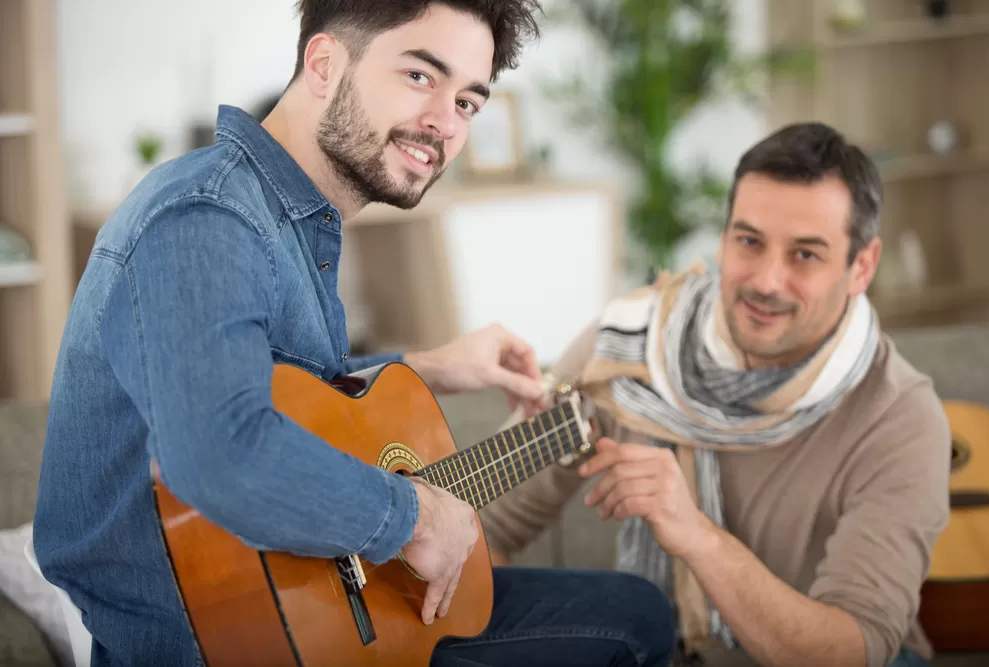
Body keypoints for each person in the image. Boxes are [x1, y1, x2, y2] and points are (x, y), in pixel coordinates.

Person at [32, 1, 675, 666]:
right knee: (631, 629)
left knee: (635, 611)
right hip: (221, 642)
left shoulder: (290, 224)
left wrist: (429, 366)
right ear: (323, 63)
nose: (445, 125)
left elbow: (273, 383)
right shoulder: (206, 215)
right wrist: (416, 516)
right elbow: (221, 451)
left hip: (310, 614)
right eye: (422, 77)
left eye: (469, 102)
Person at [481, 123, 952, 667]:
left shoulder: (900, 417)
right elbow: (478, 525)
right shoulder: (626, 350)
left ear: (861, 267)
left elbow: (853, 652)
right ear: (725, 237)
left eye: (805, 255)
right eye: (749, 242)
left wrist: (696, 536)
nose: (767, 281)